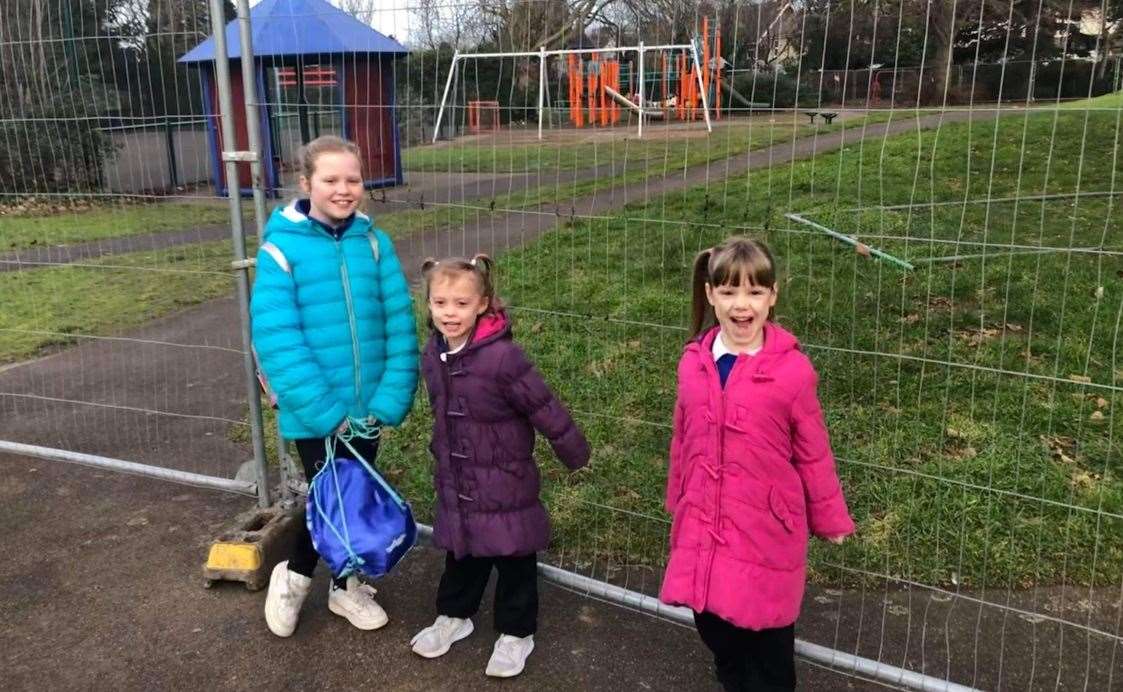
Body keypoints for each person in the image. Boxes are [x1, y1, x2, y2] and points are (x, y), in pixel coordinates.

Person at [659, 236, 855, 691]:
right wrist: (679, 494)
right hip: (704, 519)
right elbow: (682, 435)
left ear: (772, 296)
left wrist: (829, 517)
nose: (741, 305)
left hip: (767, 526)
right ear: (710, 295)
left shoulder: (793, 372)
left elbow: (813, 449)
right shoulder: (693, 363)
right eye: (728, 292)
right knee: (713, 624)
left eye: (753, 292)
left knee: (766, 639)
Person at [250, 135, 418, 638]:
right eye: (331, 180)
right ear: (307, 184)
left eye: (353, 179)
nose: (344, 190)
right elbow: (278, 339)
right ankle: (297, 578)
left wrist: (389, 398)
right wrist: (327, 412)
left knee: (355, 494)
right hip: (316, 411)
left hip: (366, 408)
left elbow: (398, 321)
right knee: (330, 495)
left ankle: (344, 588)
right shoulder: (281, 250)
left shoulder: (374, 243)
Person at [409, 254, 589, 678]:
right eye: (440, 303)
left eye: (460, 304)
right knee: (462, 551)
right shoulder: (433, 353)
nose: (449, 313)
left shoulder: (502, 357)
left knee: (514, 555)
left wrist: (573, 450)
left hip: (505, 479)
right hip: (457, 477)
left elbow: (542, 404)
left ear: (483, 303)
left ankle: (516, 632)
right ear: (429, 305)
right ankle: (454, 616)